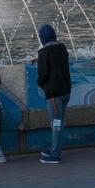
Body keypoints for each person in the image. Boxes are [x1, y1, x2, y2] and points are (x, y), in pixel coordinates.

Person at [36, 23, 71, 164]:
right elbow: (56, 61)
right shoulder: (62, 48)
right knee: (59, 123)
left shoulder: (43, 52)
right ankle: (54, 148)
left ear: (42, 38)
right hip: (65, 91)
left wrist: (39, 82)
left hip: (53, 95)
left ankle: (55, 154)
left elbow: (43, 76)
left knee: (56, 124)